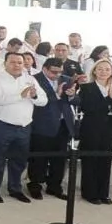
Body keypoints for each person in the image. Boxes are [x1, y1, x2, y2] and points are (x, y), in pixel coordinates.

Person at [0, 53, 48, 203]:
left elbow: (44, 101)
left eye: (20, 62)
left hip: (24, 126)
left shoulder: (30, 79)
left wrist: (34, 96)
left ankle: (15, 189)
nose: (17, 65)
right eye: (12, 62)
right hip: (1, 124)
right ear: (5, 63)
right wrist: (21, 95)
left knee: (19, 160)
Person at [76, 59, 112, 204]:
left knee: (105, 159)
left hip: (109, 127)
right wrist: (109, 103)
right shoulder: (87, 87)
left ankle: (103, 193)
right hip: (91, 127)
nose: (104, 72)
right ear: (94, 71)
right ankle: (90, 193)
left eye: (107, 69)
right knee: (90, 159)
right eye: (100, 69)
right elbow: (87, 107)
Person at [29, 57, 78, 200]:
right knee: (38, 158)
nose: (57, 75)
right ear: (44, 68)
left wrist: (71, 96)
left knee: (59, 159)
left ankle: (54, 186)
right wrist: (56, 94)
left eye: (59, 72)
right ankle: (35, 185)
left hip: (63, 124)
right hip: (42, 123)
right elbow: (38, 101)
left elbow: (77, 101)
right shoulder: (34, 79)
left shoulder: (67, 79)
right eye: (53, 72)